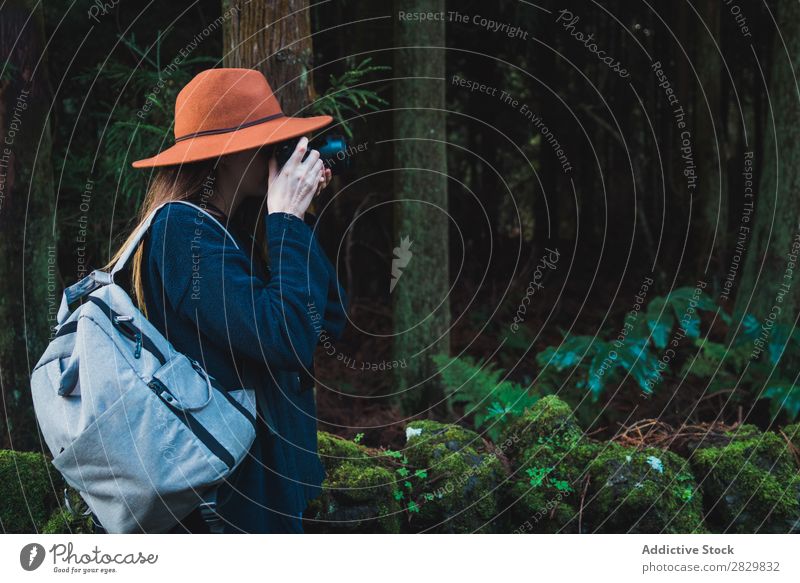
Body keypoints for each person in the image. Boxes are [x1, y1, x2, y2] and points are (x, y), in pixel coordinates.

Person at [94, 68, 348, 533]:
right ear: (225, 156)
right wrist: (285, 220)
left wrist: (293, 219)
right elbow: (284, 339)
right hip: (231, 506)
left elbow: (329, 318)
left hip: (269, 491)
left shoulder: (232, 229)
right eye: (266, 139)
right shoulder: (181, 234)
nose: (279, 151)